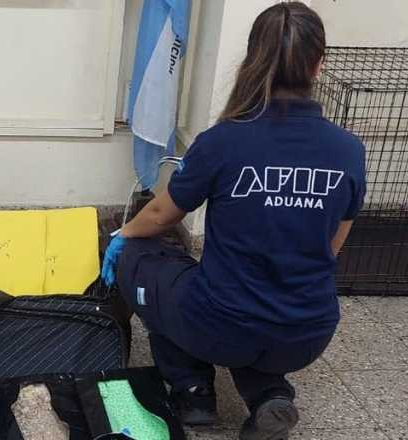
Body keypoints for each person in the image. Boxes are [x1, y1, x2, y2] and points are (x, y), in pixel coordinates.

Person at [101, 3, 366, 440]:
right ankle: (269, 396)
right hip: (308, 333)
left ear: (252, 58)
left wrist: (122, 235)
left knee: (140, 257)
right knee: (255, 318)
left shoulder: (223, 141)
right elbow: (332, 246)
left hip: (220, 325)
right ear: (319, 64)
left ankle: (192, 389)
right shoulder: (349, 150)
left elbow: (161, 215)